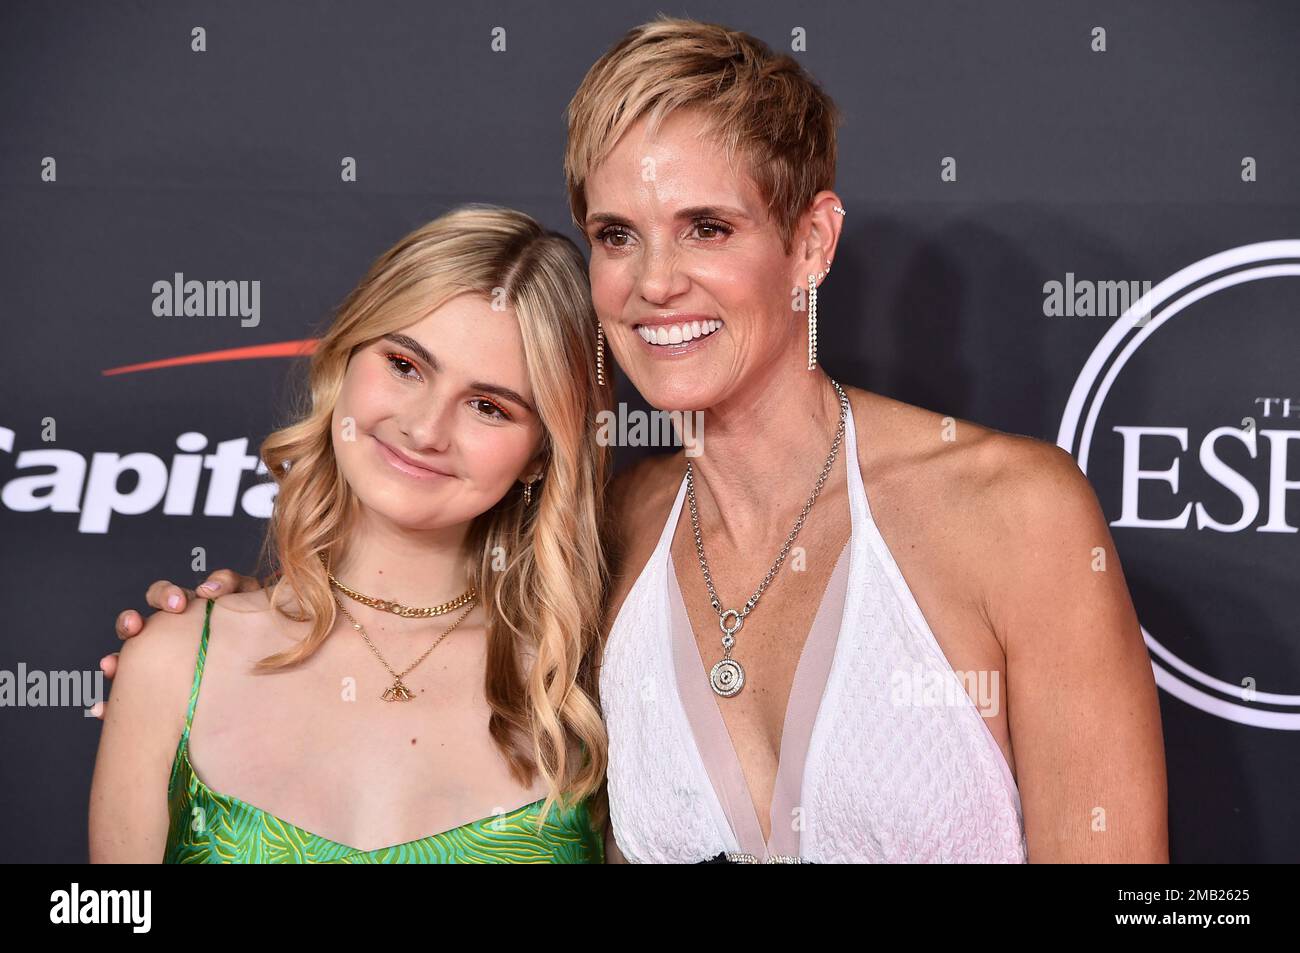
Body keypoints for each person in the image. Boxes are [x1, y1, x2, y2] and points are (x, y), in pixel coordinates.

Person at [98, 16, 1169, 863]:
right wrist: (187, 650)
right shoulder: (610, 538)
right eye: (618, 235)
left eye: (708, 227)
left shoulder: (1014, 513)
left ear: (810, 241)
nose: (656, 283)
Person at [88, 205, 611, 863]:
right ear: (346, 358)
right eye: (404, 365)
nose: (425, 428)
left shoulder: (588, 691)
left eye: (488, 406)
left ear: (541, 453)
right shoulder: (172, 659)